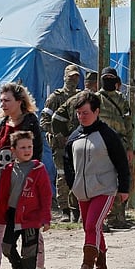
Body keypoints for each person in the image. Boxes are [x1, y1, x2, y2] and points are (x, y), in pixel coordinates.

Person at [0, 82, 45, 269]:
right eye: (1, 100)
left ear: (19, 101)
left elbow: (37, 154)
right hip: (2, 183)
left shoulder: (30, 123)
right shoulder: (0, 124)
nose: (3, 104)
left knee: (30, 228)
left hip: (24, 183)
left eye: (7, 100)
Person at [64, 92, 130, 269]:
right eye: (78, 113)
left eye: (85, 112)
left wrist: (124, 188)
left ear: (97, 111)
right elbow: (68, 162)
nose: (81, 117)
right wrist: (72, 183)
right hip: (82, 192)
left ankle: (87, 265)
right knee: (91, 227)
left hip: (105, 189)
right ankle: (102, 268)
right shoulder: (74, 137)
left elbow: (121, 163)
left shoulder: (107, 135)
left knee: (92, 224)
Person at [0, 131, 52, 269]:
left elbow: (46, 195)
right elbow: (1, 193)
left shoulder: (38, 168)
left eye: (29, 147)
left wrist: (45, 218)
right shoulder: (8, 170)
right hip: (12, 214)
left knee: (29, 249)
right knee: (7, 246)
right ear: (13, 150)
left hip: (31, 216)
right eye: (22, 147)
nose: (27, 150)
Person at [41, 64, 82, 223]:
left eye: (76, 77)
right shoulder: (55, 98)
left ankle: (76, 208)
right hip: (61, 145)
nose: (73, 80)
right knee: (62, 176)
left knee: (78, 175)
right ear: (65, 77)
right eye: (71, 77)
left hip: (78, 144)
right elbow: (44, 121)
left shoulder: (81, 96)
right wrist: (58, 135)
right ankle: (64, 209)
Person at [95, 67, 133, 228]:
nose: (108, 80)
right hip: (100, 144)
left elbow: (128, 124)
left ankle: (117, 217)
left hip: (120, 144)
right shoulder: (95, 99)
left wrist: (130, 147)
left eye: (111, 77)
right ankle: (100, 218)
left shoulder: (121, 100)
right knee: (101, 180)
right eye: (106, 77)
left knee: (120, 179)